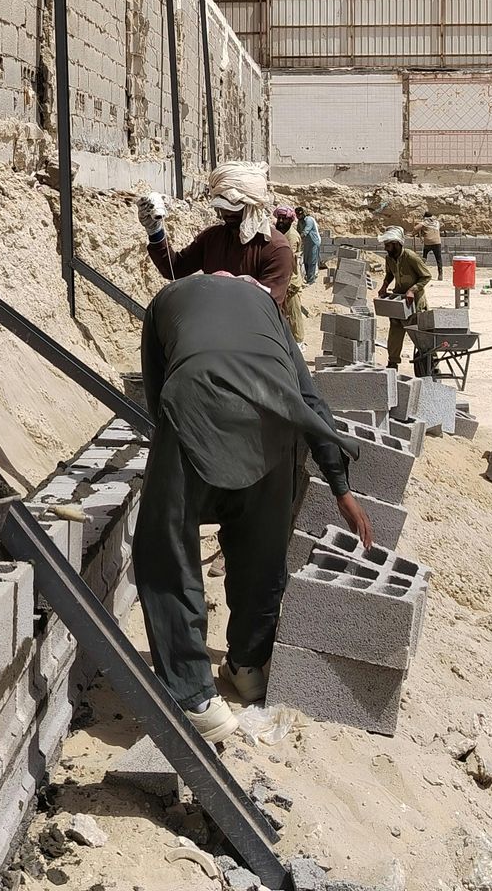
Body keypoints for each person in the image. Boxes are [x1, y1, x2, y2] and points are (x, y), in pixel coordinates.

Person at [134, 272, 374, 741]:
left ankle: (195, 696)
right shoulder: (270, 311)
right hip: (271, 422)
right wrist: (340, 486)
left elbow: (157, 390)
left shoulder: (168, 297)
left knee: (167, 546)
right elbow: (309, 398)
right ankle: (246, 664)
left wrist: (175, 457)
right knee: (261, 546)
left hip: (195, 404)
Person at [140, 161, 295, 311]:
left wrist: (233, 287)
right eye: (223, 207)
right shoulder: (213, 238)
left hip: (256, 332)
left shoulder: (275, 248)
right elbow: (174, 268)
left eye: (234, 208)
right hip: (213, 323)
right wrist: (155, 231)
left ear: (253, 206)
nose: (227, 213)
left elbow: (267, 308)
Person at [374, 226, 431, 370]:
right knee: (395, 333)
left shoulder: (411, 257)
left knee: (419, 335)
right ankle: (393, 363)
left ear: (397, 244)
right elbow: (390, 274)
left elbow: (426, 276)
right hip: (399, 302)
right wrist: (384, 286)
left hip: (415, 302)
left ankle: (430, 362)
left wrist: (412, 290)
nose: (386, 248)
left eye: (388, 245)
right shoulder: (389, 258)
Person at [273, 205, 309, 346]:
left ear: (290, 220)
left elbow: (288, 260)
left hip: (291, 281)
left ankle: (298, 342)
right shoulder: (280, 232)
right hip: (282, 279)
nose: (281, 221)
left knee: (294, 314)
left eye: (284, 219)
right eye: (279, 218)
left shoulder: (292, 236)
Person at [294, 205, 322, 286]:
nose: (298, 216)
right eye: (297, 215)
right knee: (305, 260)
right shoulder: (300, 221)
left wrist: (298, 239)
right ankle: (307, 276)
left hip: (314, 242)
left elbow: (305, 232)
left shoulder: (309, 220)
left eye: (300, 214)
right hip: (306, 243)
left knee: (312, 261)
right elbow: (298, 231)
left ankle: (311, 280)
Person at [416, 212, 444, 279]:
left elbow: (416, 228)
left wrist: (413, 233)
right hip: (437, 242)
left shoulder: (425, 222)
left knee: (424, 257)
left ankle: (422, 273)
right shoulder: (437, 223)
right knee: (439, 259)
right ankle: (440, 275)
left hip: (428, 243)